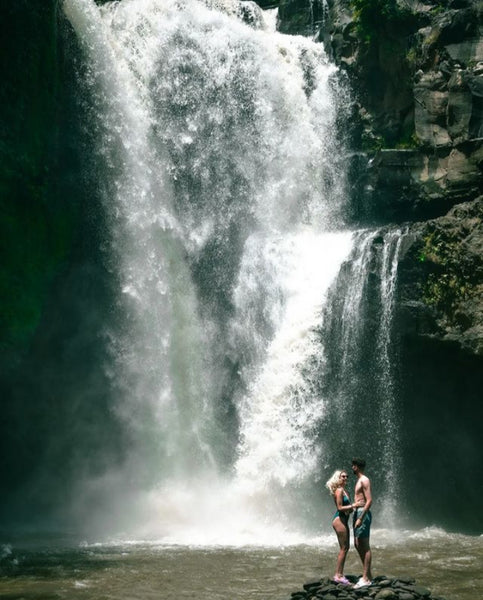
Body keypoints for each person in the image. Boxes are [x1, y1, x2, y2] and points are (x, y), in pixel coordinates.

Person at [325, 469, 358, 585]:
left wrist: (352, 508)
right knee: (343, 548)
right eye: (342, 476)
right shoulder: (339, 490)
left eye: (346, 476)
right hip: (339, 520)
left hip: (343, 519)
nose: (345, 478)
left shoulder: (344, 491)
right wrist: (354, 505)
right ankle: (338, 575)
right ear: (337, 478)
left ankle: (340, 574)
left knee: (346, 547)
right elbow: (339, 508)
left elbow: (347, 508)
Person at [351, 457, 373, 588]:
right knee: (357, 544)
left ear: (357, 467)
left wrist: (361, 518)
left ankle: (366, 578)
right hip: (357, 512)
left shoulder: (364, 480)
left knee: (364, 545)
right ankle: (368, 575)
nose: (352, 468)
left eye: (353, 466)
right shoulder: (359, 480)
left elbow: (369, 500)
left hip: (362, 513)